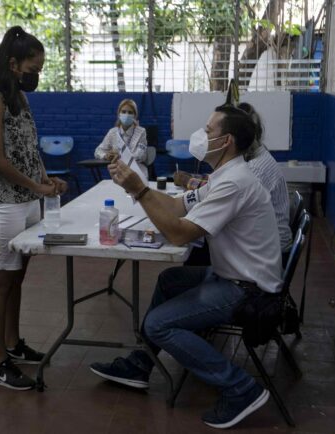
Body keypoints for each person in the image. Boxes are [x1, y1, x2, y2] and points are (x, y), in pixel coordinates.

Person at [90, 104, 282, 429]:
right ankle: (141, 364)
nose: (200, 136)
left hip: (246, 290)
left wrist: (139, 190)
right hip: (232, 276)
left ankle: (240, 388)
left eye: (208, 131)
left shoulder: (234, 183)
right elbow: (179, 205)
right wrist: (138, 189)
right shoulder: (222, 176)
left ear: (227, 142)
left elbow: (178, 234)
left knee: (158, 325)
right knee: (170, 280)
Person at [0, 26, 68, 391]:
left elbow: (29, 148)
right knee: (0, 282)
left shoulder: (18, 98)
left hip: (28, 202)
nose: (37, 76)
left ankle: (13, 344)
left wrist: (48, 179)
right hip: (2, 205)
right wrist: (37, 187)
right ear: (13, 64)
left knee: (17, 278)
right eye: (34, 68)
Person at [175, 102, 292, 266]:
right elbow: (217, 187)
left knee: (198, 251)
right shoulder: (253, 159)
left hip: (267, 252)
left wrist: (189, 182)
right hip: (259, 241)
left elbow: (222, 192)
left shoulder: (254, 169)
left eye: (209, 131)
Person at [94, 99, 149, 179]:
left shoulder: (141, 132)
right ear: (119, 114)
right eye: (123, 112)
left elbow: (140, 155)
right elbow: (98, 151)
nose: (126, 115)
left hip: (138, 173)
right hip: (118, 173)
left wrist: (118, 156)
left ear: (135, 115)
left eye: (130, 112)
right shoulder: (112, 132)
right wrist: (106, 155)